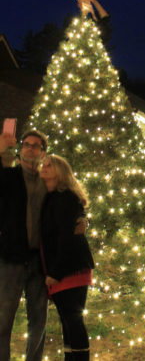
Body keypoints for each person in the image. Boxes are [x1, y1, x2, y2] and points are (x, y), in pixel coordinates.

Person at [0, 130, 49, 361]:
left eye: (36, 145)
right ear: (21, 150)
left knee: (38, 321)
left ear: (43, 153)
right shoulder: (10, 177)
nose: (30, 148)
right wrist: (1, 149)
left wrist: (81, 218)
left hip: (39, 261)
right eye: (26, 144)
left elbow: (70, 196)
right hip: (11, 259)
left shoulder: (49, 181)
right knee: (2, 320)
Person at [40, 155, 94, 361]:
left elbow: (67, 237)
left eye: (49, 165)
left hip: (70, 269)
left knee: (72, 320)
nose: (44, 168)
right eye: (43, 165)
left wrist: (56, 272)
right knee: (67, 321)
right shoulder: (52, 197)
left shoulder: (65, 198)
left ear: (60, 172)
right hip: (63, 267)